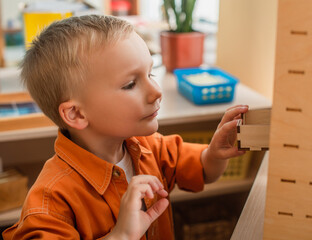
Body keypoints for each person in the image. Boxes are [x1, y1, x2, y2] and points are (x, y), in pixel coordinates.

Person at [2, 15, 248, 240]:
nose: (157, 91)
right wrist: (120, 236)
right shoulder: (50, 201)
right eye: (130, 84)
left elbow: (205, 170)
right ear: (76, 113)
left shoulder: (150, 147)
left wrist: (216, 153)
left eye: (151, 74)